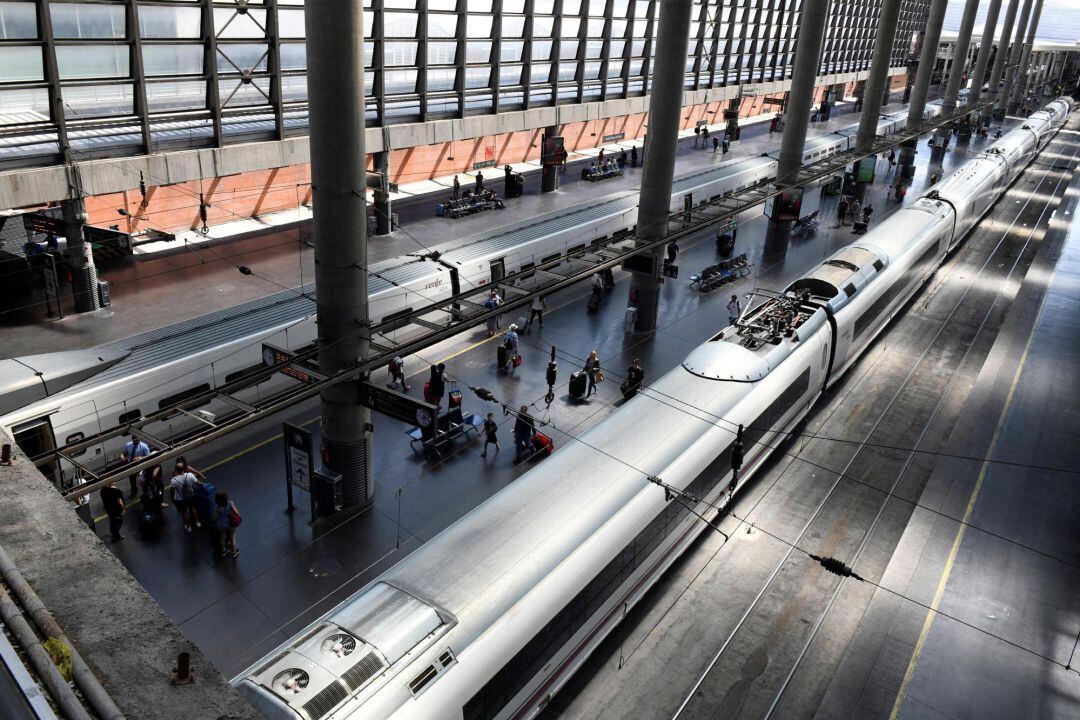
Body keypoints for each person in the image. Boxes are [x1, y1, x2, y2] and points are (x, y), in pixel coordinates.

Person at [169, 463, 202, 533]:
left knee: (184, 512)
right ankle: (197, 522)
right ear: (183, 469)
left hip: (181, 499)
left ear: (176, 470)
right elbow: (198, 483)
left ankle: (188, 526)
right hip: (191, 495)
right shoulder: (190, 475)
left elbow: (172, 492)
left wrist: (172, 499)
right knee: (193, 508)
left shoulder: (174, 480)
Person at [121, 434, 151, 499]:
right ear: (132, 440)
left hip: (140, 466)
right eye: (135, 440)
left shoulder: (144, 446)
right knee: (132, 480)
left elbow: (148, 456)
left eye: (138, 440)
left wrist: (139, 458)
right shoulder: (128, 445)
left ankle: (146, 492)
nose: (137, 441)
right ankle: (133, 492)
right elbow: (124, 453)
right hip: (131, 465)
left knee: (142, 479)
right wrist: (122, 456)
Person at [212, 491, 240, 558]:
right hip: (231, 523)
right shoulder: (230, 503)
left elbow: (214, 517)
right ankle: (234, 552)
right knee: (232, 537)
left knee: (222, 537)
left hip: (222, 525)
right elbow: (237, 513)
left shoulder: (217, 508)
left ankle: (224, 551)